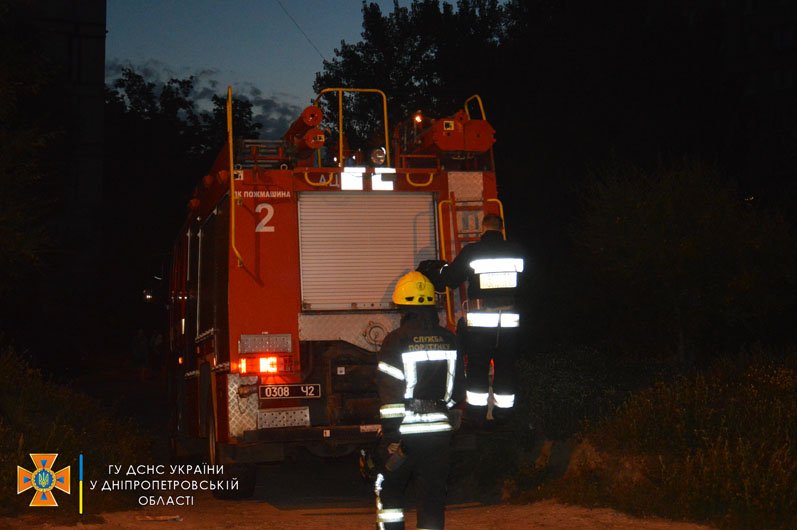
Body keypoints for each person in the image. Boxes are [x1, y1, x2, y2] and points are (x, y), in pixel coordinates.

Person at [374, 271, 462, 530]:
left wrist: (391, 439)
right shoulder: (449, 339)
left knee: (389, 491)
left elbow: (389, 394)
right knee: (432, 500)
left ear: (402, 306)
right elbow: (458, 390)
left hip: (405, 436)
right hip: (439, 436)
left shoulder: (395, 341)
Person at [421, 213, 525, 427]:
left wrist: (438, 269)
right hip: (510, 323)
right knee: (505, 367)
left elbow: (450, 280)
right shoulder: (516, 251)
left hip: (481, 324)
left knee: (478, 367)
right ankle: (504, 414)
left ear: (483, 229)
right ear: (501, 229)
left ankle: (476, 414)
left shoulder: (473, 252)